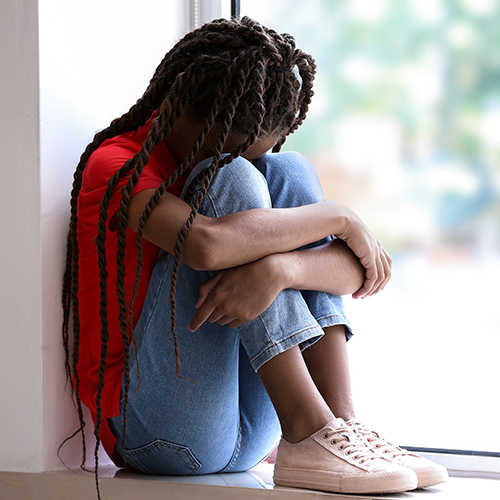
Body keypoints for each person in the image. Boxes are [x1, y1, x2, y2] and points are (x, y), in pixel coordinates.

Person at [62, 16, 448, 498]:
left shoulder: (262, 167)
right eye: (231, 147)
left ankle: (338, 428)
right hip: (154, 431)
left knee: (288, 172)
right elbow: (208, 244)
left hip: (252, 430)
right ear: (182, 112)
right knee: (234, 182)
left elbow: (351, 273)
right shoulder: (117, 162)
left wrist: (280, 268)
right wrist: (339, 217)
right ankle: (311, 428)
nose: (247, 159)